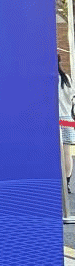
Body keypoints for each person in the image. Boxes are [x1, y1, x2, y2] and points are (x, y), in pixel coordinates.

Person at [59, 57, 75, 196]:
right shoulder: (67, 79)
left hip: (55, 120)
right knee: (67, 154)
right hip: (68, 120)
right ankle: (67, 184)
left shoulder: (49, 79)